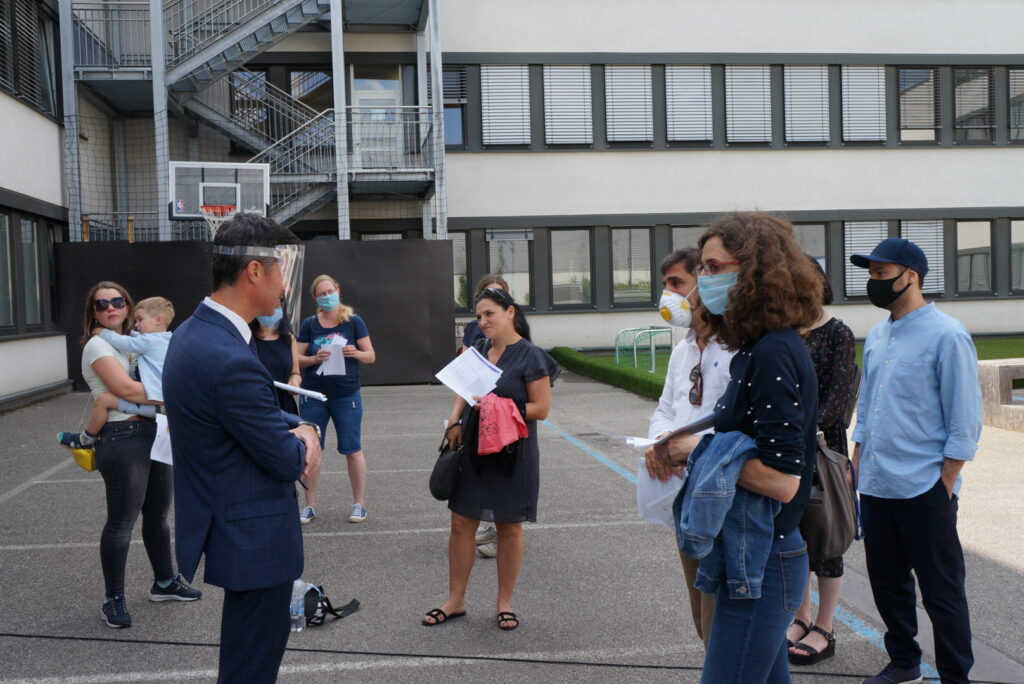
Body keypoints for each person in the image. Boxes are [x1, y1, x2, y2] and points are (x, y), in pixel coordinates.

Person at [651, 212, 821, 683]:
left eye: (713, 268)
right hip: (749, 551)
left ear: (754, 273)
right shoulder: (755, 349)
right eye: (701, 269)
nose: (702, 280)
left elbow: (784, 482)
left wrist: (694, 450)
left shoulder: (773, 353)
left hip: (764, 560)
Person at [163, 214, 321, 684]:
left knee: (244, 660)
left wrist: (296, 422)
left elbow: (241, 410)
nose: (285, 285)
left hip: (234, 525)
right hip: (253, 537)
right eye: (281, 270)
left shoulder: (197, 333)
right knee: (251, 668)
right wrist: (307, 437)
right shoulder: (227, 354)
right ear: (254, 271)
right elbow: (285, 459)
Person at [849, 238, 981, 684]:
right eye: (871, 274)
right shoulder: (878, 335)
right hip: (877, 483)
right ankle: (905, 662)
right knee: (887, 583)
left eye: (881, 273)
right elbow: (868, 405)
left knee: (942, 590)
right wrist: (858, 460)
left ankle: (955, 676)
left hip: (925, 485)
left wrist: (946, 479)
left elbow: (964, 418)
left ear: (911, 276)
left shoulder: (948, 335)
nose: (873, 282)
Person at [423, 287, 559, 631]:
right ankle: (455, 600)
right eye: (479, 316)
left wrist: (498, 406)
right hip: (473, 445)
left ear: (510, 312)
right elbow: (463, 390)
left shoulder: (532, 356)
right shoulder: (480, 349)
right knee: (460, 523)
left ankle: (504, 603)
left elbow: (541, 409)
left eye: (489, 314)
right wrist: (454, 420)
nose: (483, 321)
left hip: (512, 452)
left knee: (508, 527)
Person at [72, 283, 200, 629]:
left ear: (128, 307)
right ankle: (113, 599)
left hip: (153, 430)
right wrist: (174, 391)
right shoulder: (99, 344)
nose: (110, 308)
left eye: (117, 301)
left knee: (157, 515)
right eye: (101, 305)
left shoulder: (138, 340)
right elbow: (125, 389)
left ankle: (164, 582)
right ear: (93, 312)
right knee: (121, 522)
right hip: (121, 435)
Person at [643, 247, 735, 649]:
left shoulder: (735, 349)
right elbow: (665, 409)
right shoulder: (682, 349)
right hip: (682, 494)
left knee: (720, 609)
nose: (669, 294)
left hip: (720, 491)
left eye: (677, 283)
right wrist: (660, 442)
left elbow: (736, 424)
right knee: (699, 605)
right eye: (665, 285)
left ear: (703, 284)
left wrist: (691, 449)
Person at [788, 258, 857, 666]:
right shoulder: (782, 331)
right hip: (786, 450)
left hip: (823, 451)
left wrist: (787, 426)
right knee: (792, 538)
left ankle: (826, 627)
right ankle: (801, 617)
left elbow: (835, 406)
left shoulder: (837, 333)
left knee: (826, 540)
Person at [295, 275, 376, 524]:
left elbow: (371, 356)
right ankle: (309, 506)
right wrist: (314, 359)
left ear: (338, 292)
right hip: (314, 395)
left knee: (352, 449)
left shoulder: (353, 322)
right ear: (315, 298)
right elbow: (296, 358)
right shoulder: (310, 324)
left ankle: (359, 504)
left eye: (330, 291)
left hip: (346, 395)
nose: (327, 296)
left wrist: (356, 353)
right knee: (311, 449)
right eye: (322, 294)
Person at [57, 296, 174, 450]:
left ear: (158, 320)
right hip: (164, 405)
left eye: (140, 320)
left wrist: (103, 332)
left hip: (157, 403)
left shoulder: (150, 342)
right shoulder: (168, 339)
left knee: (104, 400)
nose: (136, 325)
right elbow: (135, 337)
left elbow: (126, 342)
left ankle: (85, 439)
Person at [462, 273, 510, 558]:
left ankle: (500, 529)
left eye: (498, 293)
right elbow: (467, 365)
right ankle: (488, 524)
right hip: (477, 406)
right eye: (487, 292)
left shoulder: (517, 331)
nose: (485, 320)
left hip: (503, 411)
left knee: (502, 471)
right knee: (480, 471)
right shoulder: (473, 329)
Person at [250, 304, 301, 413]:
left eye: (278, 305)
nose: (273, 309)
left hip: (284, 403)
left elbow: (295, 373)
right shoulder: (248, 339)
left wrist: (294, 382)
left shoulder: (289, 338)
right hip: (257, 403)